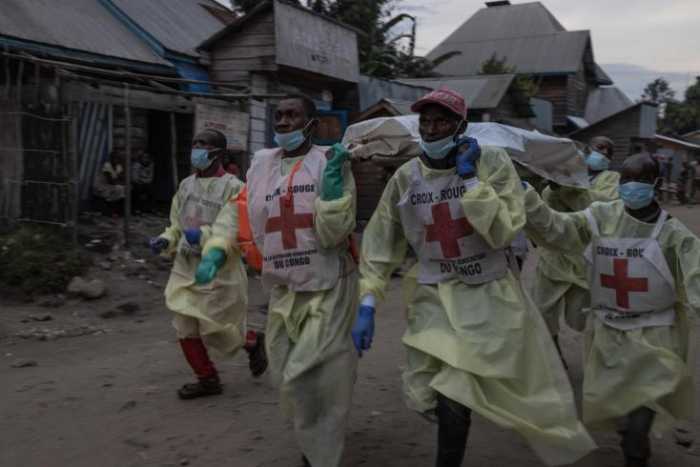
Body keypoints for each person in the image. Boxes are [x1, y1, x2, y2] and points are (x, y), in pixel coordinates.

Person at [352, 88, 595, 467]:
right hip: (433, 295)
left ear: (460, 126)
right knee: (425, 390)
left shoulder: (493, 164)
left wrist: (469, 180)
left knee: (458, 390)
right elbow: (382, 240)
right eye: (426, 122)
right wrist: (367, 301)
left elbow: (500, 231)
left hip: (488, 296)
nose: (431, 130)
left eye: (442, 121)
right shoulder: (406, 177)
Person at [522, 153, 699, 467]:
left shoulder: (674, 234)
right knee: (619, 408)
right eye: (626, 179)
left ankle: (636, 452)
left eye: (641, 180)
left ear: (656, 184)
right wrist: (525, 196)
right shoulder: (600, 216)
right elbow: (556, 228)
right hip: (608, 333)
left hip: (654, 336)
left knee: (639, 421)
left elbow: (695, 276)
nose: (632, 187)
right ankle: (632, 440)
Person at [246, 95, 358, 467]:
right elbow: (255, 223)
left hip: (326, 285)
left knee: (310, 372)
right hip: (284, 287)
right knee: (286, 373)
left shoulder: (330, 162)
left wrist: (329, 193)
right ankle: (315, 433)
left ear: (311, 122)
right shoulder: (262, 165)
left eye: (293, 115)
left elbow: (334, 233)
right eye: (278, 116)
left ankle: (320, 454)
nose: (283, 122)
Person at [149, 129, 267, 400]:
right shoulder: (186, 186)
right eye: (194, 143)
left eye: (203, 144)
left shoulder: (234, 188)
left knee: (216, 328)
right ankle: (207, 379)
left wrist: (203, 236)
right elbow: (176, 225)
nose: (197, 149)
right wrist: (165, 240)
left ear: (218, 153)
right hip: (186, 267)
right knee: (184, 326)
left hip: (219, 272)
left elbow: (236, 231)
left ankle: (251, 342)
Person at [530, 136, 620, 362]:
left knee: (583, 316)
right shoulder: (561, 179)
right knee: (542, 311)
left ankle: (599, 361)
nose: (601, 153)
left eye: (606, 151)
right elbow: (545, 213)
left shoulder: (610, 179)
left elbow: (602, 207)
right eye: (597, 148)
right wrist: (555, 185)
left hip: (585, 258)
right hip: (554, 257)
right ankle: (554, 356)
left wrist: (568, 188)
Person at [93, 151, 125, 216]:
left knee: (122, 188)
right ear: (111, 158)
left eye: (118, 158)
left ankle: (117, 211)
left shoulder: (119, 166)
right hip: (102, 185)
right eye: (114, 158)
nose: (116, 160)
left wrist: (119, 181)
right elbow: (110, 180)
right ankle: (110, 211)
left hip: (111, 186)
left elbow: (122, 178)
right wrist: (119, 181)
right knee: (119, 188)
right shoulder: (107, 165)